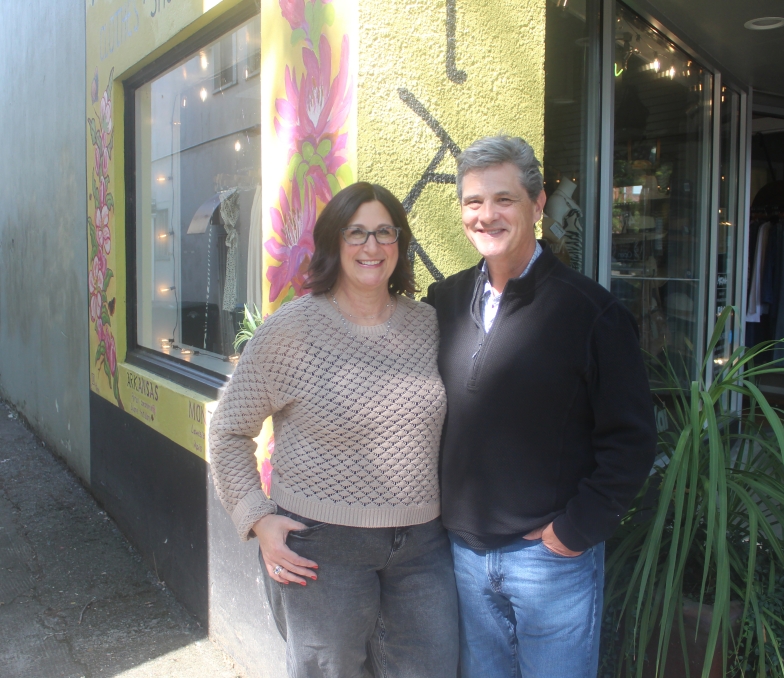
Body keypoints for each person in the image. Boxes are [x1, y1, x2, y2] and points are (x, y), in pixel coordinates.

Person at [423, 135, 657, 678]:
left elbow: (632, 439)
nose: (487, 215)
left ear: (537, 203)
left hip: (550, 566)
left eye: (503, 199)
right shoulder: (445, 301)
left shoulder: (591, 313)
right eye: (473, 202)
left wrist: (572, 533)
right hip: (463, 556)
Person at [209, 182, 458, 678]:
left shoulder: (430, 325)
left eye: (384, 232)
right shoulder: (291, 331)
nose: (372, 247)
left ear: (400, 243)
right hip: (322, 549)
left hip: (422, 548)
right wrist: (257, 518)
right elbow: (228, 431)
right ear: (332, 243)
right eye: (356, 233)